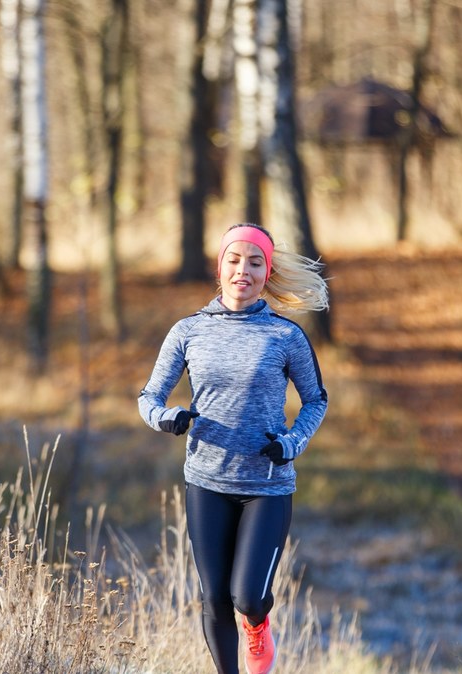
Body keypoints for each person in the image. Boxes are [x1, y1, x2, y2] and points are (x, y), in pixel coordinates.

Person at [138, 223, 329, 674]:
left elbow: (316, 399)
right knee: (215, 600)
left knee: (247, 597)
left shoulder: (285, 336)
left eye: (255, 262)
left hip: (266, 486)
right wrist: (168, 418)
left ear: (267, 272)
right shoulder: (187, 332)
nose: (244, 270)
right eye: (234, 260)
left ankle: (258, 628)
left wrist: (292, 442)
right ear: (219, 267)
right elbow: (148, 398)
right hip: (206, 482)